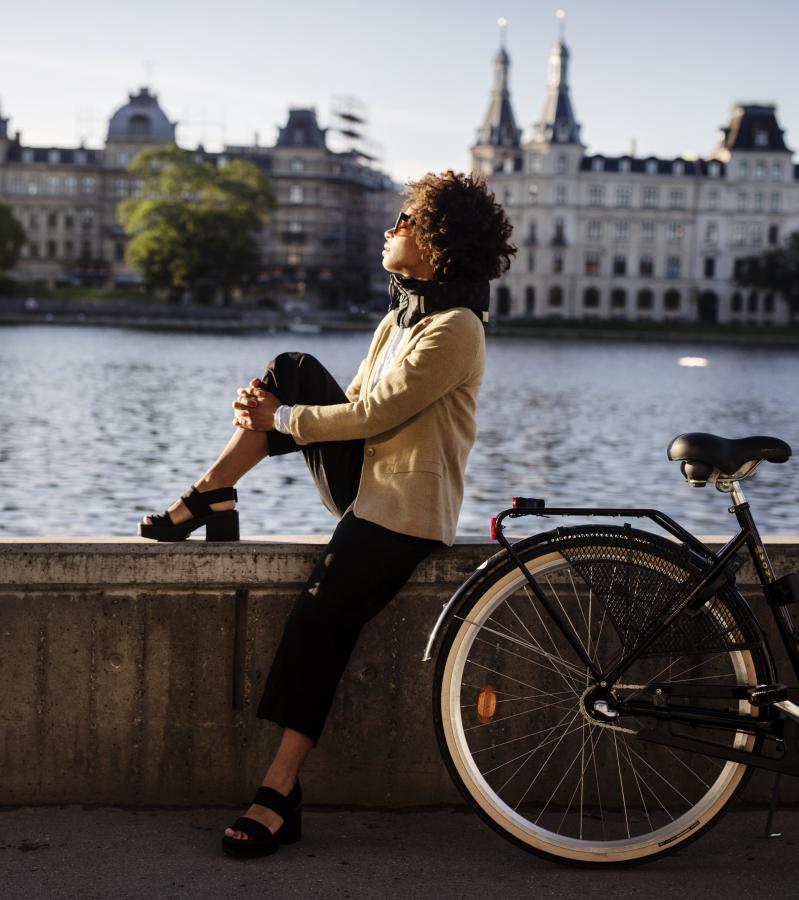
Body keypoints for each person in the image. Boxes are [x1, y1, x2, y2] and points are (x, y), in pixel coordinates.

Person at [138, 170, 516, 858]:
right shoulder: (399, 317)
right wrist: (273, 414)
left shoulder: (457, 327)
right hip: (364, 482)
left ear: (436, 243)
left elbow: (375, 413)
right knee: (288, 365)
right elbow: (352, 418)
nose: (389, 229)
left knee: (319, 622)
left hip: (405, 510)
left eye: (403, 221)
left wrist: (278, 420)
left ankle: (280, 790)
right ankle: (210, 493)